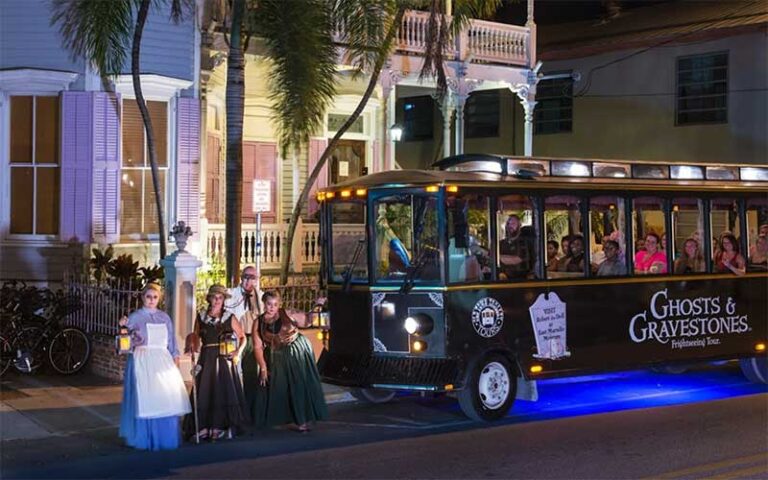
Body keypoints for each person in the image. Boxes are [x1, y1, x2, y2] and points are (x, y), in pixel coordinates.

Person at [118, 283, 191, 451]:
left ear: (159, 298)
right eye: (148, 297)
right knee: (146, 399)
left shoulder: (165, 317)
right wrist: (122, 326)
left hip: (162, 360)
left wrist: (175, 359)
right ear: (143, 297)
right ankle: (144, 436)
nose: (152, 300)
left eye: (155, 297)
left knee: (164, 397)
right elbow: (125, 339)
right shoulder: (135, 317)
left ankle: (164, 436)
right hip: (142, 360)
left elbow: (171, 341)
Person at [250, 290, 328, 432]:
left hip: (296, 351)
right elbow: (257, 346)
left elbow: (308, 321)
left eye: (275, 304)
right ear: (264, 304)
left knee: (298, 385)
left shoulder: (287, 313)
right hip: (276, 355)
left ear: (279, 304)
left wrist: (318, 304)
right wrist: (262, 367)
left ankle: (301, 421)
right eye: (269, 304)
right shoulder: (258, 322)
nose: (272, 307)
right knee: (279, 386)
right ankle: (280, 418)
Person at [183, 285, 249, 441]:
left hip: (223, 359)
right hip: (206, 358)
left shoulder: (229, 317)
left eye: (220, 298)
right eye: (215, 297)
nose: (217, 300)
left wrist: (237, 352)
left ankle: (219, 427)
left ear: (224, 300)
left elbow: (242, 337)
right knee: (205, 391)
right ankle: (204, 427)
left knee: (221, 392)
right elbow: (195, 337)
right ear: (209, 298)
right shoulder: (201, 316)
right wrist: (191, 346)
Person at [499, 214, 533, 279]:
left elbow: (517, 259)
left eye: (513, 223)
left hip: (520, 280)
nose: (510, 226)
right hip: (501, 279)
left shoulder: (524, 242)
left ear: (519, 225)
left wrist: (496, 257)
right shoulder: (501, 243)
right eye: (508, 223)